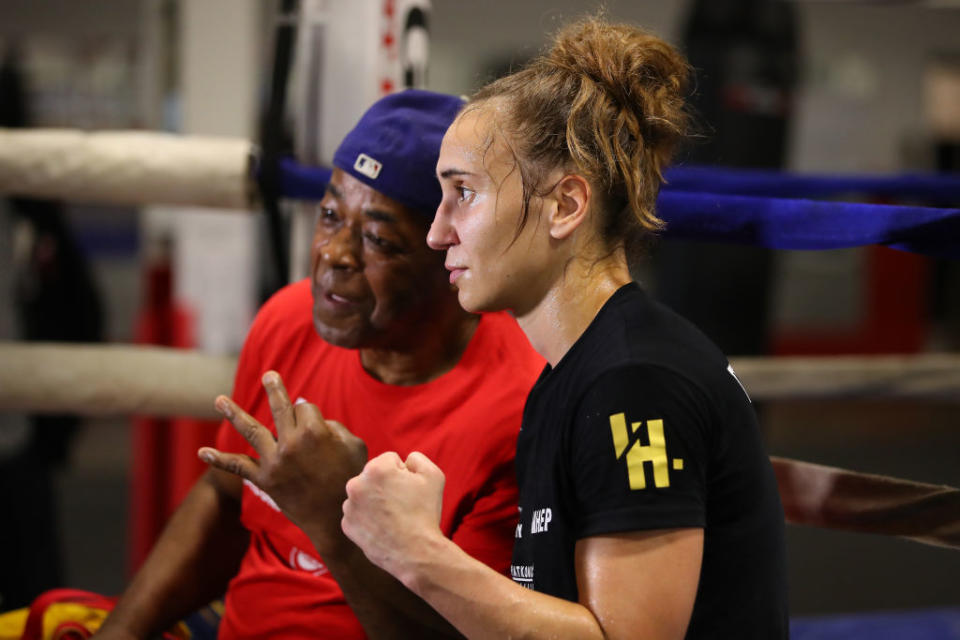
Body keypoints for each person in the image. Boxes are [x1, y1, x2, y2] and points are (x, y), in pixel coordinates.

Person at [332, 18, 789, 639]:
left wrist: (415, 552)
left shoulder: (636, 381)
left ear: (566, 206)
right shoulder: (573, 375)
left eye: (463, 193)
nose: (438, 231)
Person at [95, 89, 544, 639]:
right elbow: (227, 495)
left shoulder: (517, 409)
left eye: (378, 238)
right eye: (330, 215)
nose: (335, 253)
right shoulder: (289, 322)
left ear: (454, 254)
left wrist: (335, 517)